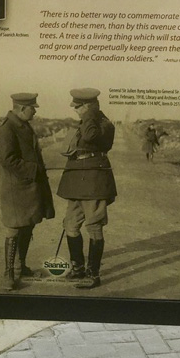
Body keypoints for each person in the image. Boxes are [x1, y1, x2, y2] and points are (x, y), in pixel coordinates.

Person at [57, 88, 116, 289]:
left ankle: (92, 274)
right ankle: (78, 269)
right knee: (70, 225)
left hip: (94, 180)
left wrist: (90, 113)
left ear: (89, 106)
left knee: (94, 226)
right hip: (76, 179)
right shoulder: (85, 122)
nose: (75, 110)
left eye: (79, 106)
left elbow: (91, 137)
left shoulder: (103, 123)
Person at [0, 92, 55, 290]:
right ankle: (8, 274)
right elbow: (7, 160)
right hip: (16, 189)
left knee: (28, 226)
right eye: (33, 108)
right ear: (22, 108)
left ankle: (22, 267)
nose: (35, 111)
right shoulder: (7, 128)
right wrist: (33, 169)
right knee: (14, 228)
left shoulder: (23, 125)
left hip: (29, 187)